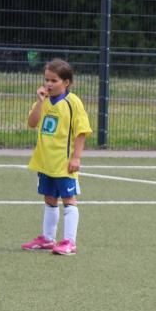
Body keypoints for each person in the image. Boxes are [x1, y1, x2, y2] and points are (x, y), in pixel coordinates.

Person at [21, 59, 92, 256]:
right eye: (46, 80)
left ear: (66, 82)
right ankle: (47, 238)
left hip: (64, 162)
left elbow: (81, 132)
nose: (48, 84)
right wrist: (39, 102)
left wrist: (76, 158)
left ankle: (69, 241)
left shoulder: (73, 102)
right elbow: (32, 123)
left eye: (54, 80)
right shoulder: (44, 101)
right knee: (49, 198)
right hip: (45, 161)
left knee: (68, 199)